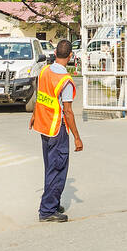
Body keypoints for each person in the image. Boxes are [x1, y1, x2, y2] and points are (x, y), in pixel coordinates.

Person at [26, 38, 83, 222]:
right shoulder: (65, 80)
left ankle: (53, 202)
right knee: (57, 169)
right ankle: (47, 210)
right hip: (57, 129)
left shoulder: (44, 71)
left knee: (50, 167)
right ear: (70, 56)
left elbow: (39, 96)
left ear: (55, 53)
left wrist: (34, 115)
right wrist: (77, 137)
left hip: (44, 126)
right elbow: (68, 111)